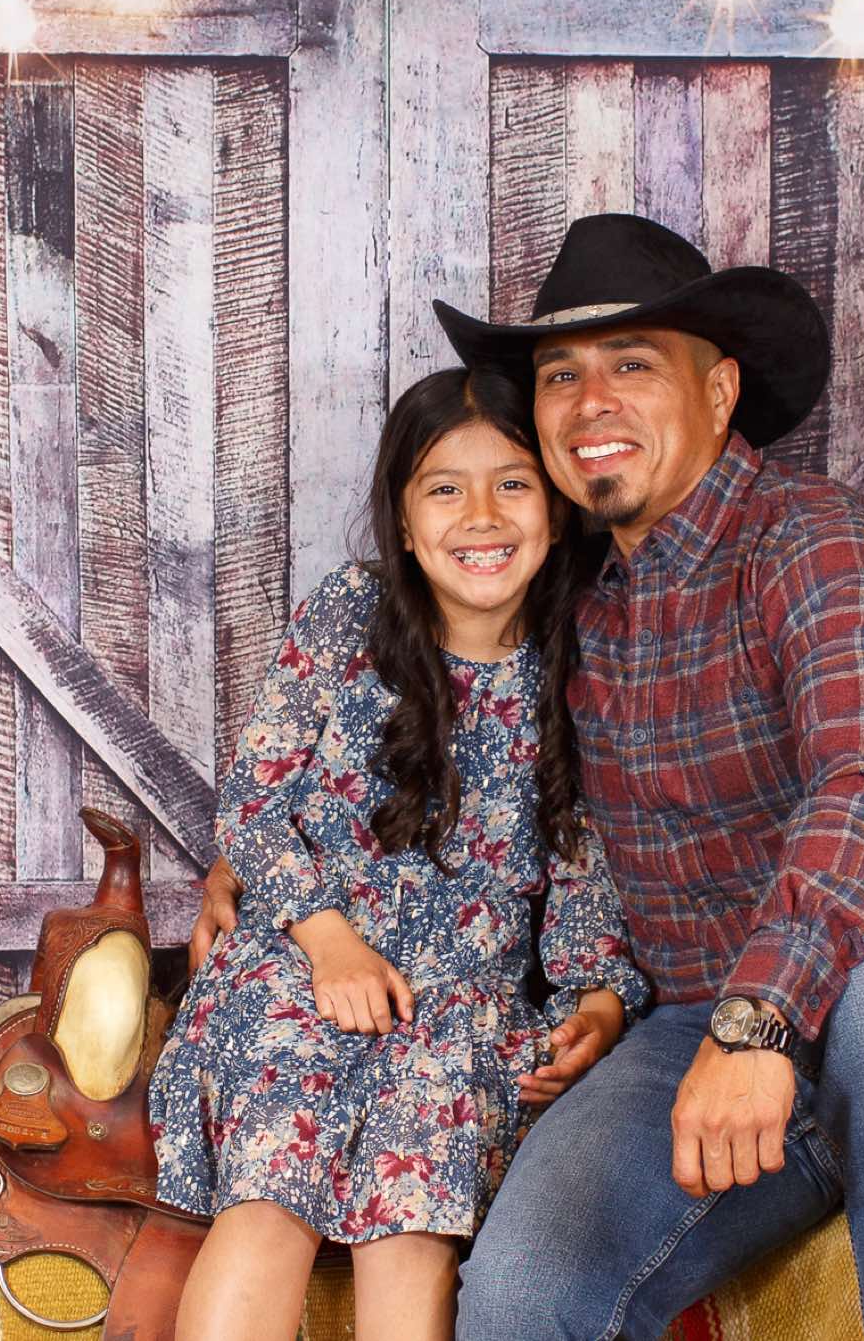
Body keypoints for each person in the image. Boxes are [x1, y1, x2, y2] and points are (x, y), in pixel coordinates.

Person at [431, 213, 864, 1339]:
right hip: (701, 1029)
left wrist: (759, 1018)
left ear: (719, 391)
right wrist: (274, 861)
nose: (589, 404)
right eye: (560, 375)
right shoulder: (575, 605)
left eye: (633, 365)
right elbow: (453, 759)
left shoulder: (823, 546)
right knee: (521, 1295)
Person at [152, 366, 650, 1341]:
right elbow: (253, 801)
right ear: (406, 524)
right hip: (300, 967)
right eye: (444, 488)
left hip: (458, 1010)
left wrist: (596, 1006)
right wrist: (328, 940)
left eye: (512, 483)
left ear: (556, 511)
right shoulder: (353, 614)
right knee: (273, 1187)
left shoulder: (579, 664)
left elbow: (584, 881)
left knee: (414, 1213)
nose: (481, 515)